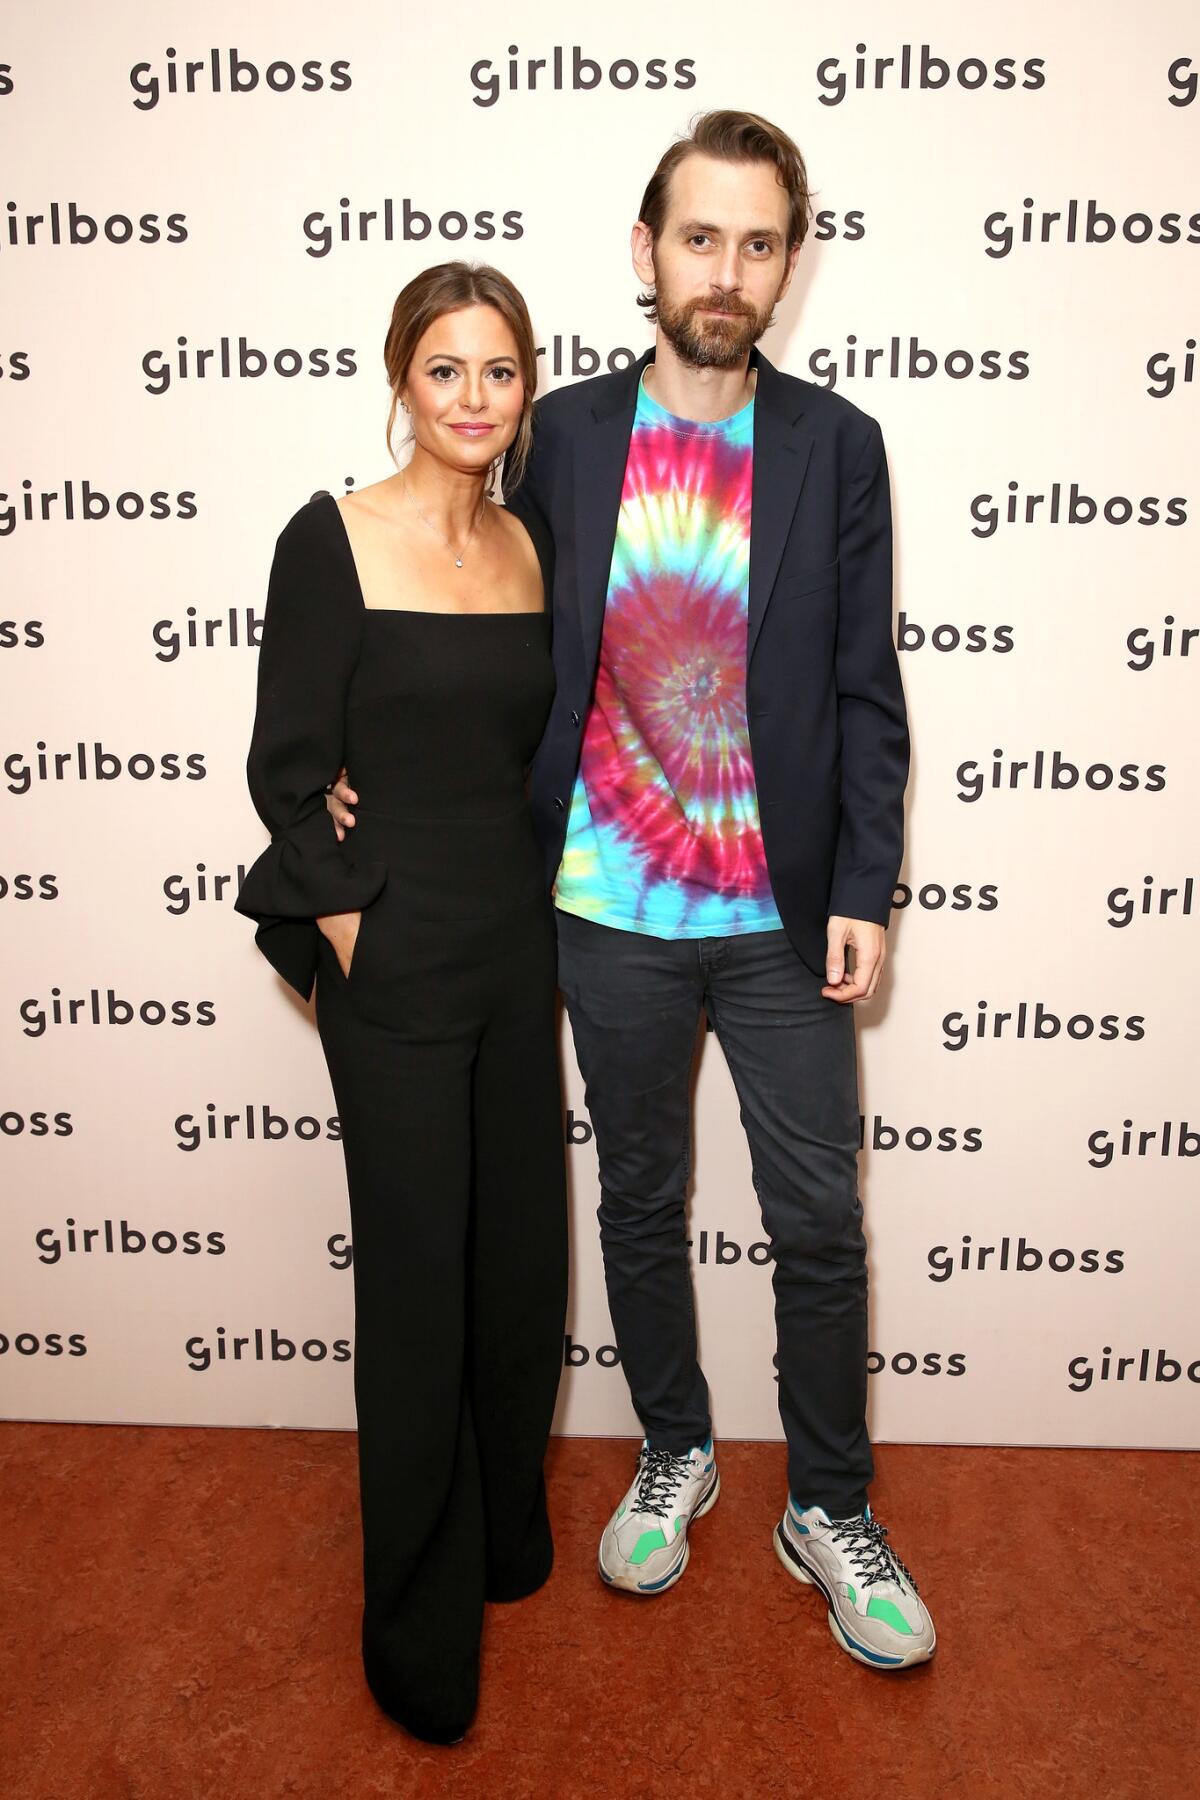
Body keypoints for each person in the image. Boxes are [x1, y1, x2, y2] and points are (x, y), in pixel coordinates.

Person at [331, 110, 936, 1671]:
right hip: (603, 908)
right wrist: (348, 762)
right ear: (646, 249)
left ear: (788, 266)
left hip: (782, 916)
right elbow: (455, 604)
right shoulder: (567, 436)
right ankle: (676, 1452)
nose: (724, 271)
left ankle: (831, 1503)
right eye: (698, 236)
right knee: (641, 1205)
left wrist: (867, 878)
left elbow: (866, 685)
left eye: (756, 242)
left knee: (817, 1219)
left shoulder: (838, 447)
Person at [234, 263, 568, 1744]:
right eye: (446, 370)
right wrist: (357, 931)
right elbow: (289, 763)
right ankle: (415, 1629)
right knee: (420, 1291)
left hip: (515, 940)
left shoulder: (532, 539)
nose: (475, 400)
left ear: (526, 387)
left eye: (500, 372)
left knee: (514, 1269)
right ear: (400, 377)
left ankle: (501, 1541)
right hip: (399, 955)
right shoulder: (331, 538)